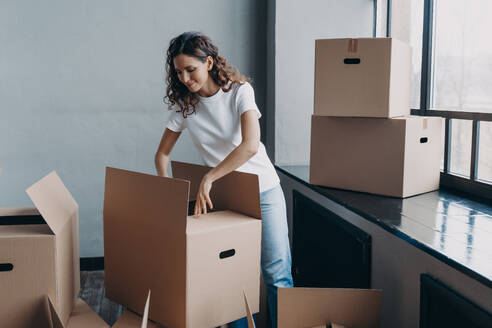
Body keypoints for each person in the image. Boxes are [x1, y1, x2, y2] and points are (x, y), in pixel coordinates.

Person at [154, 31, 293, 328]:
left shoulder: (239, 92)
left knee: (277, 273)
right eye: (179, 72)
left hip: (264, 190)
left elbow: (250, 145)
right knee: (232, 278)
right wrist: (167, 194)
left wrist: (209, 177)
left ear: (210, 62)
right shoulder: (184, 105)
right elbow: (162, 155)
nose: (185, 78)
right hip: (227, 198)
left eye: (190, 70)